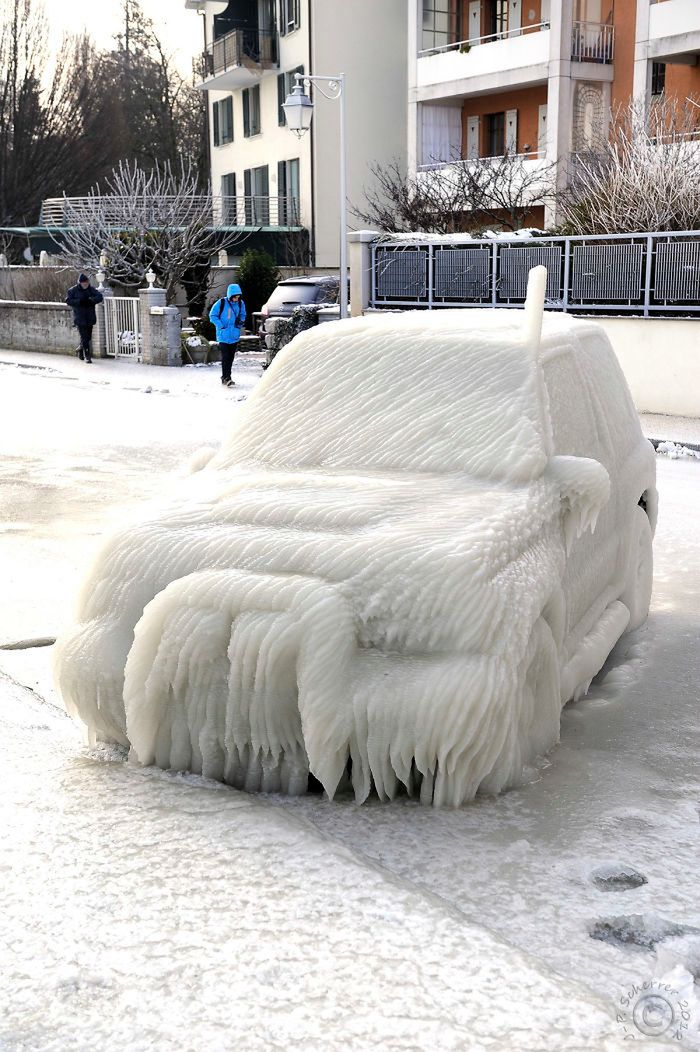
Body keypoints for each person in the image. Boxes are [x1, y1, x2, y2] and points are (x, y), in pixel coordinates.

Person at [209, 283, 246, 388]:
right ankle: (226, 378)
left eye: (238, 297)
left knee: (231, 357)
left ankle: (226, 377)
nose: (236, 299)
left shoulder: (240, 303)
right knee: (225, 357)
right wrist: (220, 325)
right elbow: (212, 315)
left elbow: (243, 314)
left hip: (234, 335)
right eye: (235, 297)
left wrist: (241, 322)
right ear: (230, 295)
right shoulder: (221, 303)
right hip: (223, 335)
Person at [66, 273, 103, 363]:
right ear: (80, 283)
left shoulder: (91, 289)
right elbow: (68, 300)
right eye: (83, 283)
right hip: (80, 316)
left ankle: (80, 349)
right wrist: (80, 302)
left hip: (90, 316)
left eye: (86, 282)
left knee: (88, 337)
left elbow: (100, 297)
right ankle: (87, 356)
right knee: (84, 337)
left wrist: (91, 301)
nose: (85, 284)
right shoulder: (73, 290)